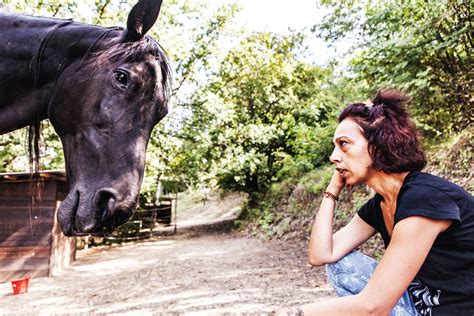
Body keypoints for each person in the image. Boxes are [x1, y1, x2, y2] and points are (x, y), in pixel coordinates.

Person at [275, 89, 474, 315]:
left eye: (343, 144)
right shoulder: (381, 204)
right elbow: (321, 255)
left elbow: (374, 306)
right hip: (419, 309)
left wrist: (297, 313)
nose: (333, 156)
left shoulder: (425, 199)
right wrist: (332, 191)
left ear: (377, 145)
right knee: (341, 265)